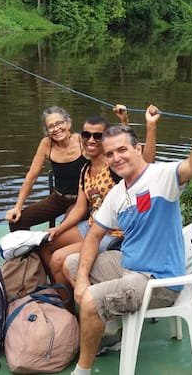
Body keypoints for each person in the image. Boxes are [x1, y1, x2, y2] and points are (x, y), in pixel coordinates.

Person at [65, 109, 192, 375]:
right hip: (129, 266)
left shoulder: (162, 177)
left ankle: (82, 371)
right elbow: (93, 236)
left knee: (90, 301)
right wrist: (81, 279)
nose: (116, 158)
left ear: (137, 149)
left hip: (158, 280)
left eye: (122, 150)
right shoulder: (117, 194)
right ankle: (112, 331)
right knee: (72, 264)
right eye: (110, 154)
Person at [42, 104, 161, 311]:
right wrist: (58, 230)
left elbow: (145, 163)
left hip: (113, 233)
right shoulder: (85, 170)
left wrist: (150, 127)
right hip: (92, 225)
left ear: (105, 140)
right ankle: (63, 295)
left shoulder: (115, 166)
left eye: (97, 136)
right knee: (45, 245)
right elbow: (80, 209)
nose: (90, 140)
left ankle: (74, 312)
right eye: (86, 135)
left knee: (58, 259)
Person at [5, 106, 87, 232]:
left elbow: (111, 148)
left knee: (62, 230)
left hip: (83, 200)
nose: (56, 129)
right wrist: (18, 207)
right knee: (18, 221)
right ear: (47, 131)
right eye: (51, 126)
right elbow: (31, 177)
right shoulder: (46, 144)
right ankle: (26, 246)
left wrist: (121, 118)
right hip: (59, 198)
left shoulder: (83, 141)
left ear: (68, 123)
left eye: (59, 123)